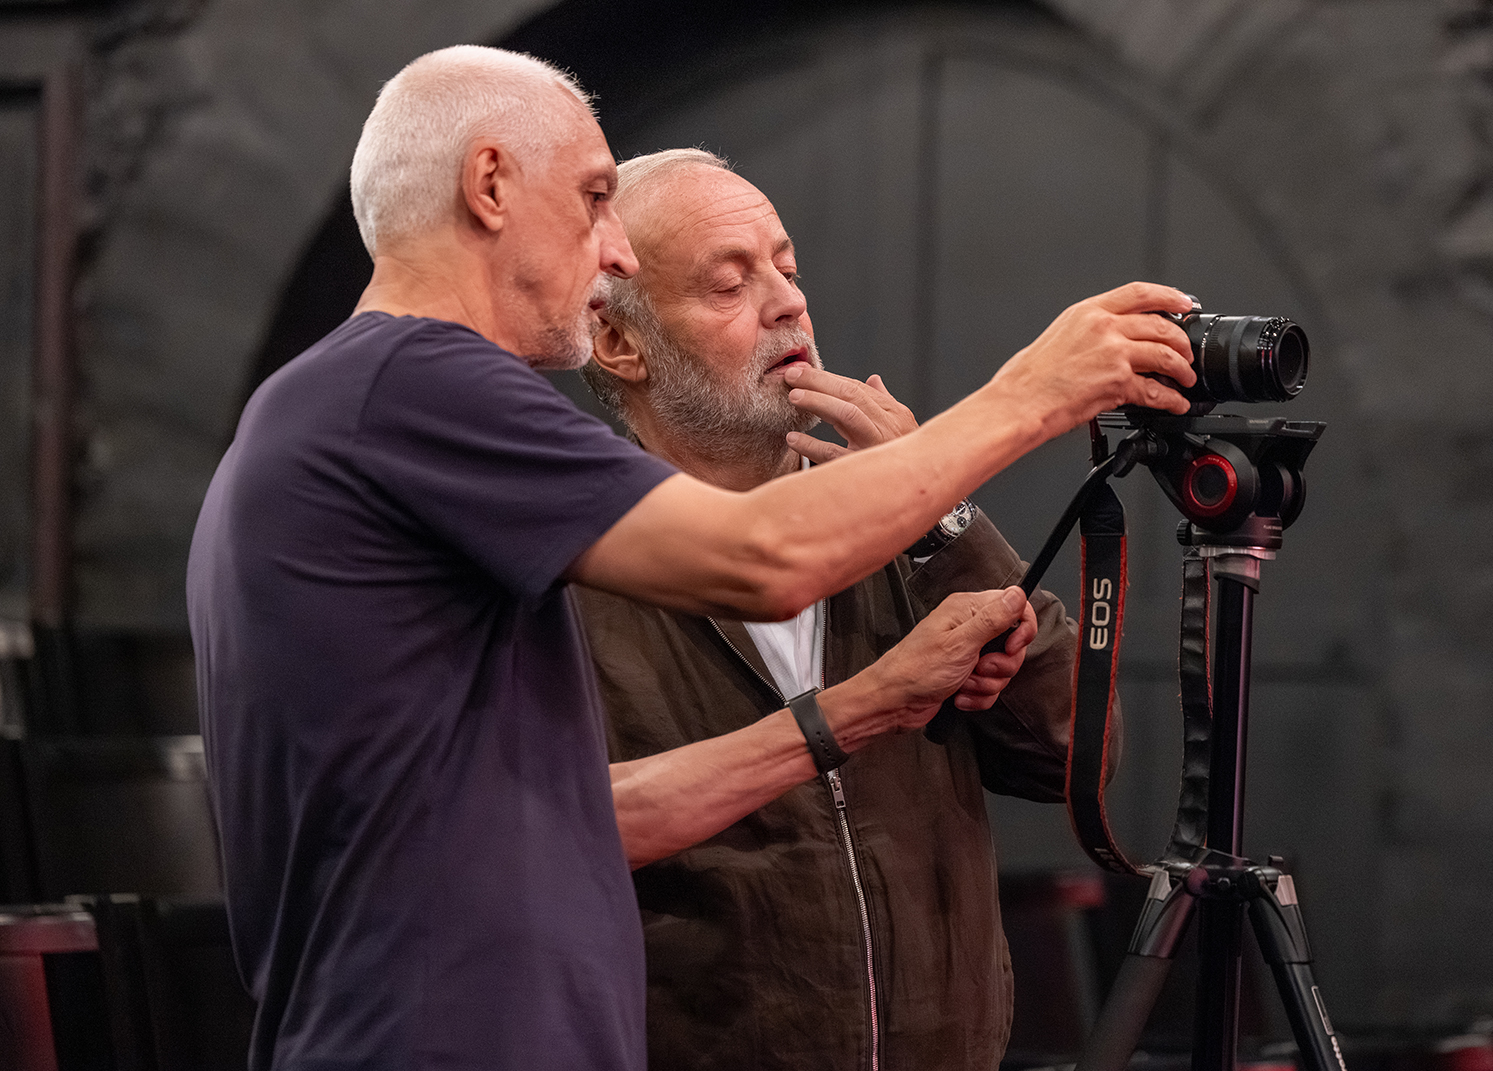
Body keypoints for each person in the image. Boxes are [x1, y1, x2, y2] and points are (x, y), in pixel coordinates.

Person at [186, 45, 1197, 1071]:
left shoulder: (356, 407)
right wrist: (1033, 393)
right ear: (489, 185)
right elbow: (764, 560)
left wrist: (889, 651)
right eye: (593, 197)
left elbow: (575, 816)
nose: (614, 252)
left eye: (788, 268)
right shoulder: (411, 384)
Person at [574, 148, 1092, 1071]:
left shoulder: (896, 524)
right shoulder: (575, 567)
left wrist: (940, 509)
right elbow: (545, 846)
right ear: (619, 344)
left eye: (789, 268)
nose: (787, 303)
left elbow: (1074, 754)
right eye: (730, 284)